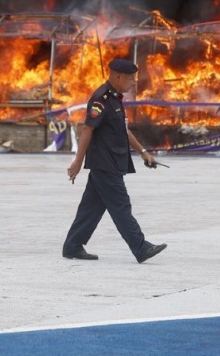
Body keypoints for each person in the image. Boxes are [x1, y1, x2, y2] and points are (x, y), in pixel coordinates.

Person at [62, 58, 167, 264]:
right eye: (130, 78)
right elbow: (87, 130)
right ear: (118, 76)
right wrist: (77, 162)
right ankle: (141, 247)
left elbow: (123, 130)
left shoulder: (115, 99)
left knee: (90, 208)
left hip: (112, 162)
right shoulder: (101, 99)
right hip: (105, 163)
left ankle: (73, 245)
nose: (133, 83)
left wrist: (143, 152)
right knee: (121, 206)